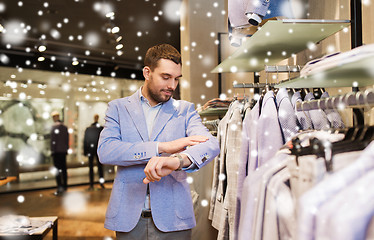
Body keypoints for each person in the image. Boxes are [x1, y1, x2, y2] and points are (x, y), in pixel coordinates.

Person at [98, 43, 220, 239]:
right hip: (129, 218)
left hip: (175, 219)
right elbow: (106, 151)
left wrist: (177, 160)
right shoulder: (118, 108)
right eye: (166, 77)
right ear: (147, 72)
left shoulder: (185, 110)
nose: (172, 85)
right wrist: (161, 147)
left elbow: (211, 145)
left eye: (176, 79)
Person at [83, 114, 105, 190]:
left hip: (91, 150)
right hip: (97, 150)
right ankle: (100, 183)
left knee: (93, 167)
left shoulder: (89, 128)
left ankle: (92, 184)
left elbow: (85, 141)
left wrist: (85, 151)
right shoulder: (100, 129)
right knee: (99, 168)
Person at [50, 111, 69, 196]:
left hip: (57, 151)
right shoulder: (64, 127)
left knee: (57, 170)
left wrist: (52, 150)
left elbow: (53, 141)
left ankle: (59, 187)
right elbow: (67, 140)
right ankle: (65, 187)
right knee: (64, 169)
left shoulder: (54, 127)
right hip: (63, 151)